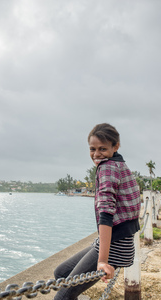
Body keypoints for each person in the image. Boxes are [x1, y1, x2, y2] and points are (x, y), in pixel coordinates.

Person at [53, 123, 141, 300]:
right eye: (92, 149)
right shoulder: (118, 163)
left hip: (115, 245)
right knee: (61, 273)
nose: (96, 154)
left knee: (62, 297)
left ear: (115, 146)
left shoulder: (107, 167)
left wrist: (102, 260)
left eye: (102, 148)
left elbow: (106, 214)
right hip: (119, 241)